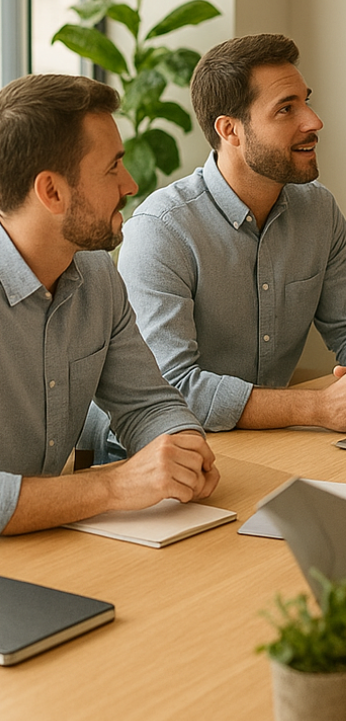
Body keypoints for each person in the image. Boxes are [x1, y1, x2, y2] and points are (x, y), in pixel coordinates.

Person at [116, 33, 346, 433]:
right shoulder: (161, 231)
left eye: (306, 100)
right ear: (230, 130)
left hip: (273, 442)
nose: (314, 121)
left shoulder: (319, 210)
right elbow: (173, 389)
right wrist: (319, 407)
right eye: (286, 109)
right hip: (174, 452)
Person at [0, 74, 218, 535]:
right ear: (52, 192)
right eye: (112, 167)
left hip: (45, 546)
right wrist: (115, 487)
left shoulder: (97, 274)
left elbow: (147, 403)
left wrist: (180, 446)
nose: (131, 183)